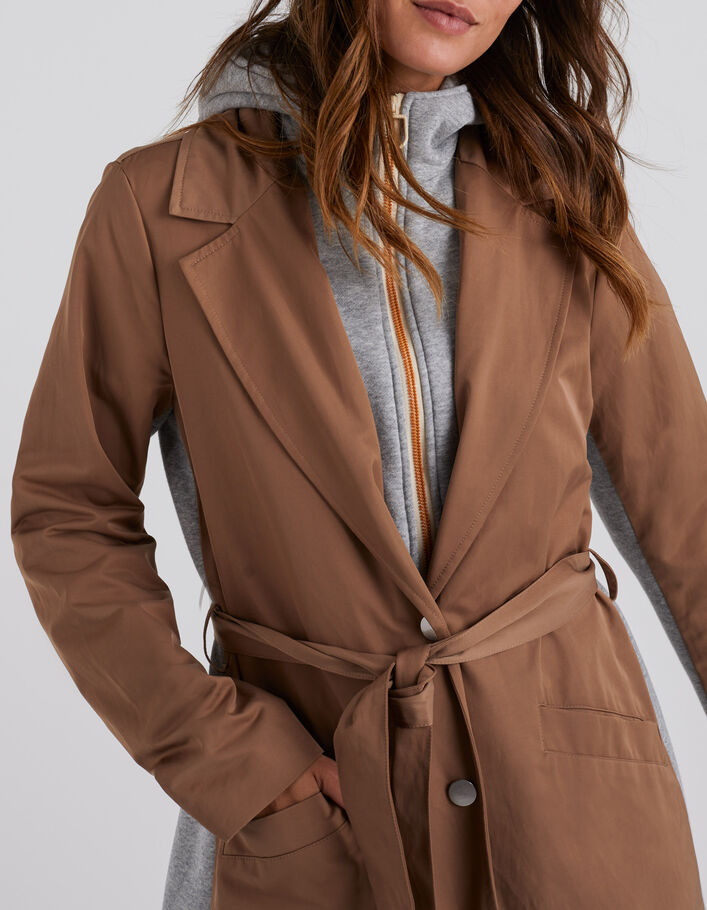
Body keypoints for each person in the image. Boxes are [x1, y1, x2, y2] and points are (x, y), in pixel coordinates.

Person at [10, 1, 706, 908]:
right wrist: (237, 761)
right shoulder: (161, 206)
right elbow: (66, 513)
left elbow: (683, 505)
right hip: (318, 806)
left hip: (571, 807)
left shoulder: (558, 184)